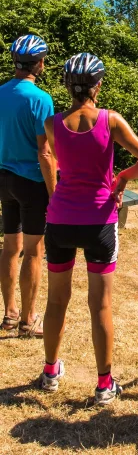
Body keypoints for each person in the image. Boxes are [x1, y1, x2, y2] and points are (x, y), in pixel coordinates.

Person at [39, 53, 138, 406]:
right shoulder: (112, 121)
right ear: (98, 85)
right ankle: (104, 384)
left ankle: (49, 373)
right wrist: (120, 180)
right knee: (100, 305)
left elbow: (60, 161)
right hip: (99, 222)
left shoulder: (51, 124)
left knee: (56, 300)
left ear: (66, 85)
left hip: (59, 220)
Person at [0, 34, 55, 338]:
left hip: (3, 178)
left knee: (10, 247)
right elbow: (44, 151)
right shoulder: (41, 99)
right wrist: (54, 190)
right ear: (40, 63)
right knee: (33, 251)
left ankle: (9, 314)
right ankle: (28, 318)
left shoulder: (0, 93)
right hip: (31, 182)